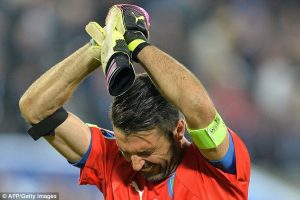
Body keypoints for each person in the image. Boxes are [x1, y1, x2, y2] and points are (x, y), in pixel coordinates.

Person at [19, 4, 250, 200]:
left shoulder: (219, 169)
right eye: (126, 152)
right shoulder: (113, 162)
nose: (136, 164)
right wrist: (99, 47)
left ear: (178, 130)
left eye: (146, 151)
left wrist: (136, 43)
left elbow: (197, 106)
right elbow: (35, 108)